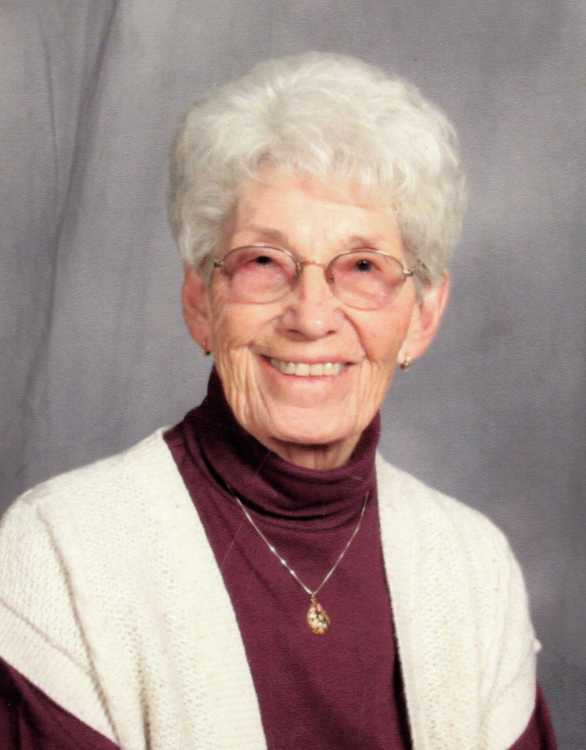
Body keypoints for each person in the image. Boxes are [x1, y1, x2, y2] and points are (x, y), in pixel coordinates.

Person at [0, 52, 556, 749]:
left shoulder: (474, 567)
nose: (311, 316)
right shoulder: (63, 553)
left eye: (363, 266)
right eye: (264, 262)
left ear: (422, 315)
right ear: (200, 301)